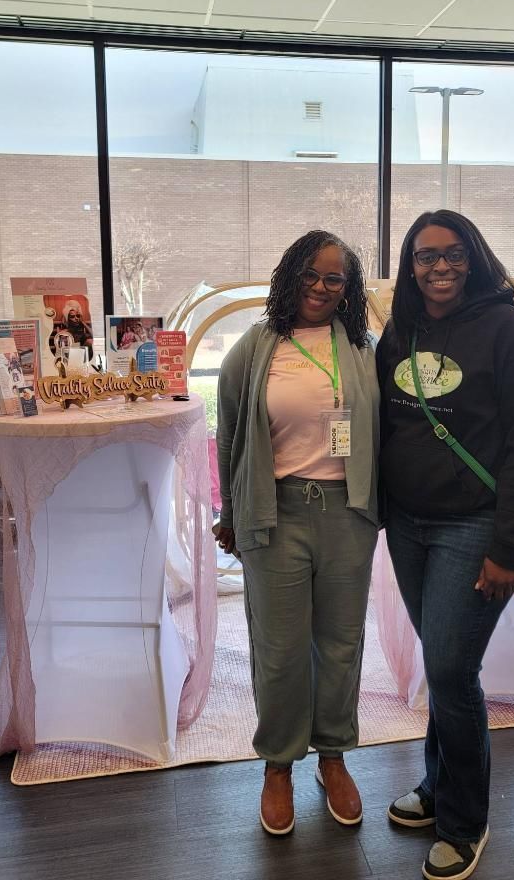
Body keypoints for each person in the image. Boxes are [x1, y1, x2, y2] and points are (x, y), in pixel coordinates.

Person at [376, 209, 514, 880]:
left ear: (473, 258)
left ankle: (464, 821)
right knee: (442, 661)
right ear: (410, 265)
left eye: (453, 254)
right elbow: (385, 423)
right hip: (409, 524)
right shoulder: (400, 329)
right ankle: (437, 784)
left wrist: (509, 547)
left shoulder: (508, 330)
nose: (440, 267)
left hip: (474, 524)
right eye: (426, 256)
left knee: (452, 669)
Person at [216, 230, 380, 837]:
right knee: (281, 650)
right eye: (310, 274)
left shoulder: (362, 347)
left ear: (348, 288)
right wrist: (231, 514)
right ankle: (279, 764)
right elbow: (229, 434)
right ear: (290, 276)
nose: (320, 286)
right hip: (276, 513)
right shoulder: (257, 346)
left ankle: (333, 756)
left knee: (340, 644)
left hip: (348, 513)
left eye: (334, 278)